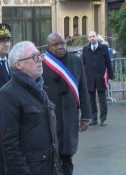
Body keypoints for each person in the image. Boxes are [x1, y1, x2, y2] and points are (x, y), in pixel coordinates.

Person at [0, 41, 62, 175]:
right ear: (18, 65)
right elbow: (9, 145)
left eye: (39, 55)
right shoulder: (7, 95)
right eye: (34, 57)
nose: (40, 59)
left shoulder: (39, 88)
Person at [42, 32, 91, 175]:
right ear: (48, 46)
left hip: (70, 115)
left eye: (62, 43)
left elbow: (83, 89)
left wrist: (86, 116)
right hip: (50, 116)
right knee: (52, 155)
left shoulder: (76, 61)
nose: (60, 47)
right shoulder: (42, 62)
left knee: (67, 155)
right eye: (55, 45)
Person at [82, 31, 114, 126]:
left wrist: (111, 76)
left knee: (102, 99)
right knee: (91, 100)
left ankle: (103, 119)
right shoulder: (85, 49)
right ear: (88, 38)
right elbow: (82, 64)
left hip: (101, 78)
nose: (92, 38)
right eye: (90, 36)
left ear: (97, 37)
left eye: (93, 36)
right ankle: (94, 119)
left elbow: (108, 63)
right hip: (89, 78)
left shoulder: (104, 48)